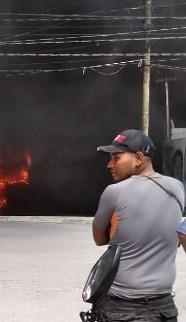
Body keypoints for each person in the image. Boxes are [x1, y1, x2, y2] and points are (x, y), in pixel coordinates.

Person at [93, 129, 184, 322]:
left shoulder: (114, 192)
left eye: (116, 158)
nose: (110, 164)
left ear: (139, 158)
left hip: (121, 306)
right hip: (164, 308)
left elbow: (99, 239)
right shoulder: (177, 188)